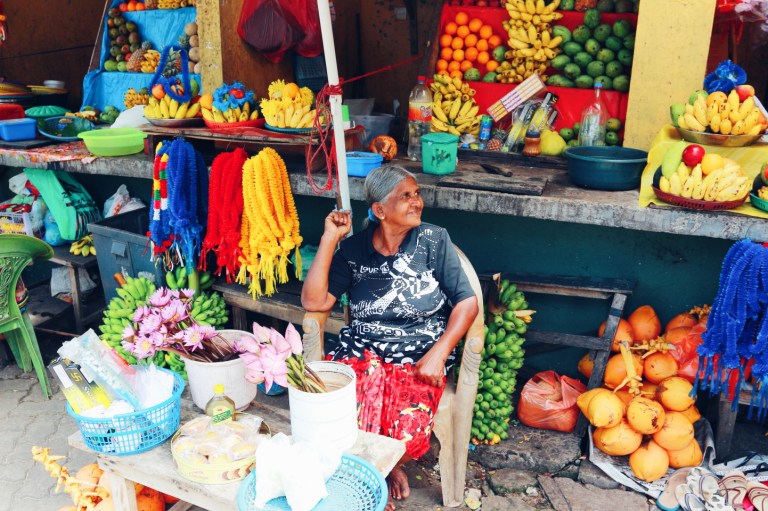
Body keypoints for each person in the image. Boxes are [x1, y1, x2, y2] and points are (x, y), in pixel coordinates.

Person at [302, 165, 479, 510]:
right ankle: (375, 475)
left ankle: (387, 467)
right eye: (406, 196)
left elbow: (467, 302)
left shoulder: (434, 240)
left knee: (406, 423)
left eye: (417, 193)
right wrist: (329, 239)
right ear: (380, 210)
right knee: (343, 413)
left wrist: (440, 353)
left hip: (419, 354)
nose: (418, 202)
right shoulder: (354, 251)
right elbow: (314, 301)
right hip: (363, 351)